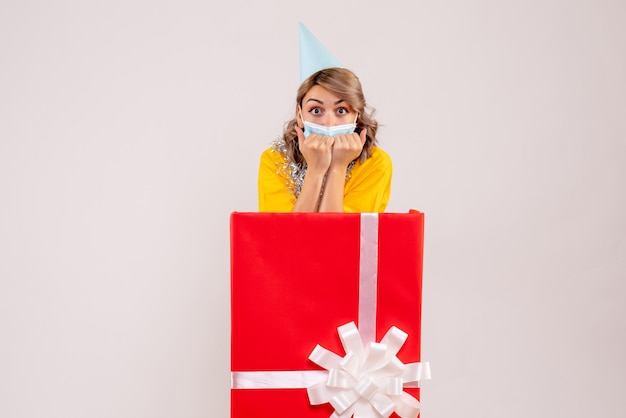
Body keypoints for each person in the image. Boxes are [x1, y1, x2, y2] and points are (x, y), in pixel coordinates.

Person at [257, 24, 392, 213]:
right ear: (300, 115)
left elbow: (341, 238)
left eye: (341, 111)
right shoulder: (275, 160)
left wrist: (338, 166)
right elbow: (286, 238)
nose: (329, 123)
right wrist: (316, 169)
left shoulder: (375, 163)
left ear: (357, 116)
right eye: (316, 110)